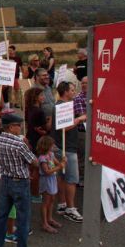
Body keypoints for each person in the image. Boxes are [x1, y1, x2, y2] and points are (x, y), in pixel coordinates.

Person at [0, 113, 39, 247]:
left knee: (2, 215)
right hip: (20, 181)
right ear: (11, 127)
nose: (20, 127)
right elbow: (34, 161)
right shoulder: (19, 144)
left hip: (5, 179)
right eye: (18, 125)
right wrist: (26, 144)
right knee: (23, 218)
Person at [52, 81, 86, 223]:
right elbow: (63, 128)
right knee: (72, 179)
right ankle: (71, 208)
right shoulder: (62, 107)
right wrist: (79, 119)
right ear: (65, 92)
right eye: (72, 90)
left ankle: (62, 204)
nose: (74, 92)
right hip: (67, 148)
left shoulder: (62, 105)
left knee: (61, 176)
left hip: (62, 146)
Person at [37, 136, 64, 234]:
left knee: (52, 199)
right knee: (46, 201)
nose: (53, 146)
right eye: (52, 145)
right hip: (46, 180)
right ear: (47, 145)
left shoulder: (51, 154)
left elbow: (58, 164)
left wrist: (63, 162)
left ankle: (50, 218)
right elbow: (47, 171)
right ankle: (44, 223)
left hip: (52, 179)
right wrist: (59, 167)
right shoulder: (42, 158)